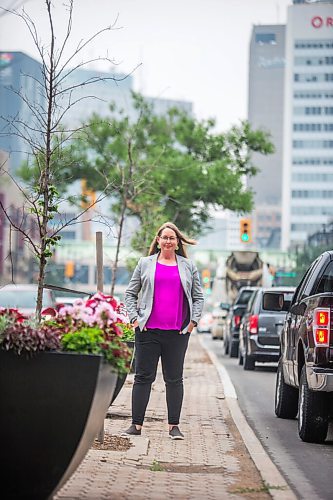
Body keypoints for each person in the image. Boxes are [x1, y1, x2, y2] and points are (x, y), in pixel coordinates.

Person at [123, 222, 204, 440]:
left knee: (174, 379)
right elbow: (130, 293)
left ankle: (174, 426)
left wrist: (192, 323)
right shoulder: (144, 263)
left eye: (172, 238)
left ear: (177, 243)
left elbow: (198, 297)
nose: (168, 241)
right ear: (158, 240)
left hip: (177, 334)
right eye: (164, 237)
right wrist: (134, 319)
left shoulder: (188, 266)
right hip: (147, 331)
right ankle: (136, 425)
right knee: (143, 377)